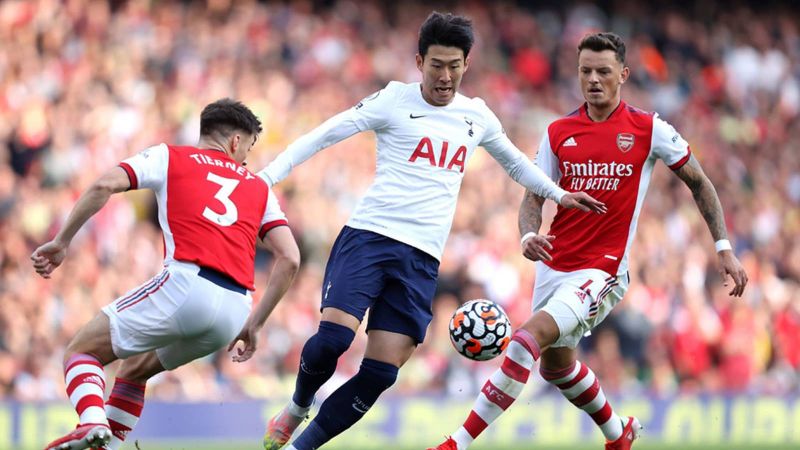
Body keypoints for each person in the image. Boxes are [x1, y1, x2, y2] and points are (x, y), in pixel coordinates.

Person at [240, 11, 606, 450]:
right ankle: (298, 406)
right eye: (437, 65)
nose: (446, 76)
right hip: (370, 237)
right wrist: (267, 177)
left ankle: (301, 447)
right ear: (419, 62)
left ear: (466, 65)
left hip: (421, 260)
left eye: (454, 65)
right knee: (334, 339)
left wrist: (558, 195)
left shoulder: (477, 116)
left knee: (380, 373)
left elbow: (515, 163)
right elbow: (326, 134)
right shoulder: (394, 100)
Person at [428, 32, 749, 450]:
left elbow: (700, 183)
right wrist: (528, 233)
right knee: (557, 369)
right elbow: (532, 198)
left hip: (603, 269)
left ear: (624, 75)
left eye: (603, 71)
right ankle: (619, 434)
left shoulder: (649, 129)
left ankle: (457, 443)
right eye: (585, 71)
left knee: (526, 339)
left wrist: (723, 248)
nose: (593, 79)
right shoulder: (559, 131)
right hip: (554, 266)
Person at [32, 99, 301, 450]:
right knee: (134, 370)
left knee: (82, 351)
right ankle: (105, 444)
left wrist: (62, 241)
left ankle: (92, 423)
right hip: (236, 308)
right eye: (248, 148)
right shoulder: (258, 187)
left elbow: (102, 186)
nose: (246, 159)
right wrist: (256, 323)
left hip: (186, 286)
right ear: (236, 142)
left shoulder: (169, 157)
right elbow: (290, 258)